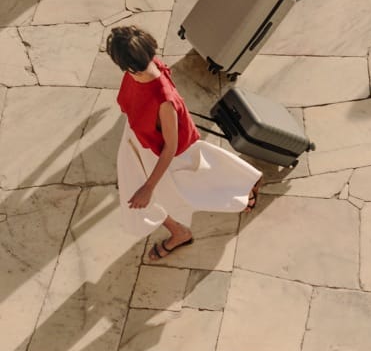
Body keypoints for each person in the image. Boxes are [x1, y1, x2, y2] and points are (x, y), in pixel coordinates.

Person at [107, 26, 262, 261]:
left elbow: (170, 146)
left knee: (183, 193)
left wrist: (148, 187)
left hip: (162, 153)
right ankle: (182, 229)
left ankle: (241, 190)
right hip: (137, 141)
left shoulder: (163, 100)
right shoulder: (140, 69)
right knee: (147, 195)